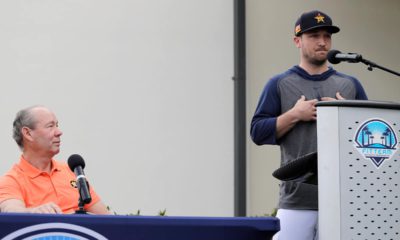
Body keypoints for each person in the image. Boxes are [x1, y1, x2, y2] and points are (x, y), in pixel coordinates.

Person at [250, 10, 368, 240]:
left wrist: (348, 115)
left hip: (344, 201)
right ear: (297, 41)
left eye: (327, 36)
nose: (322, 42)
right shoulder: (279, 83)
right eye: (314, 35)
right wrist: (294, 114)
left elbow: (368, 138)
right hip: (296, 201)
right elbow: (257, 132)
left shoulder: (350, 85)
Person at [0, 105, 111, 214]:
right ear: (28, 133)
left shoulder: (72, 171)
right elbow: (11, 212)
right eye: (50, 126)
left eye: (57, 125)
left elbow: (106, 218)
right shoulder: (11, 180)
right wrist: (34, 212)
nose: (59, 132)